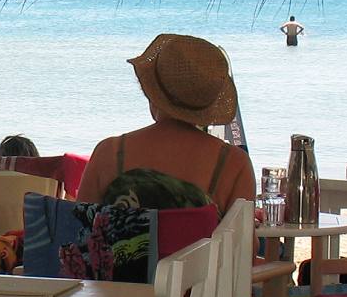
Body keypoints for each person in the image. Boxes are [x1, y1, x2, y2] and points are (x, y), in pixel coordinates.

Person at [77, 34, 255, 213]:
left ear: (152, 93)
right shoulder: (233, 164)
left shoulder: (110, 152)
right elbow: (246, 240)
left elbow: (77, 228)